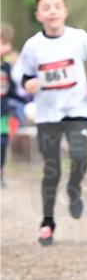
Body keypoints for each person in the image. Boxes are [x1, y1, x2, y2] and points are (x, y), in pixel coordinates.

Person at [16, 0, 87, 245]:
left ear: (65, 10)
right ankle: (47, 222)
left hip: (78, 108)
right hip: (48, 114)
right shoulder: (33, 46)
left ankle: (74, 188)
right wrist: (28, 83)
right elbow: (24, 75)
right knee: (51, 170)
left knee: (80, 156)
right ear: (38, 15)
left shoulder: (79, 38)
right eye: (46, 8)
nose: (52, 11)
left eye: (57, 6)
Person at [1, 24, 23, 186]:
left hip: (3, 112)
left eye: (8, 42)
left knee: (2, 144)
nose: (8, 46)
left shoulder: (6, 67)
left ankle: (1, 174)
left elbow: (11, 91)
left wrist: (26, 98)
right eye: (4, 42)